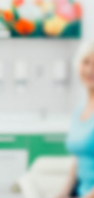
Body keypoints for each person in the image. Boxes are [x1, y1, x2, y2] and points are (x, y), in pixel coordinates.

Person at [56, 41, 94, 198]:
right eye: (86, 62)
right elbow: (78, 160)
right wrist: (63, 194)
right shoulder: (79, 110)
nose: (90, 69)